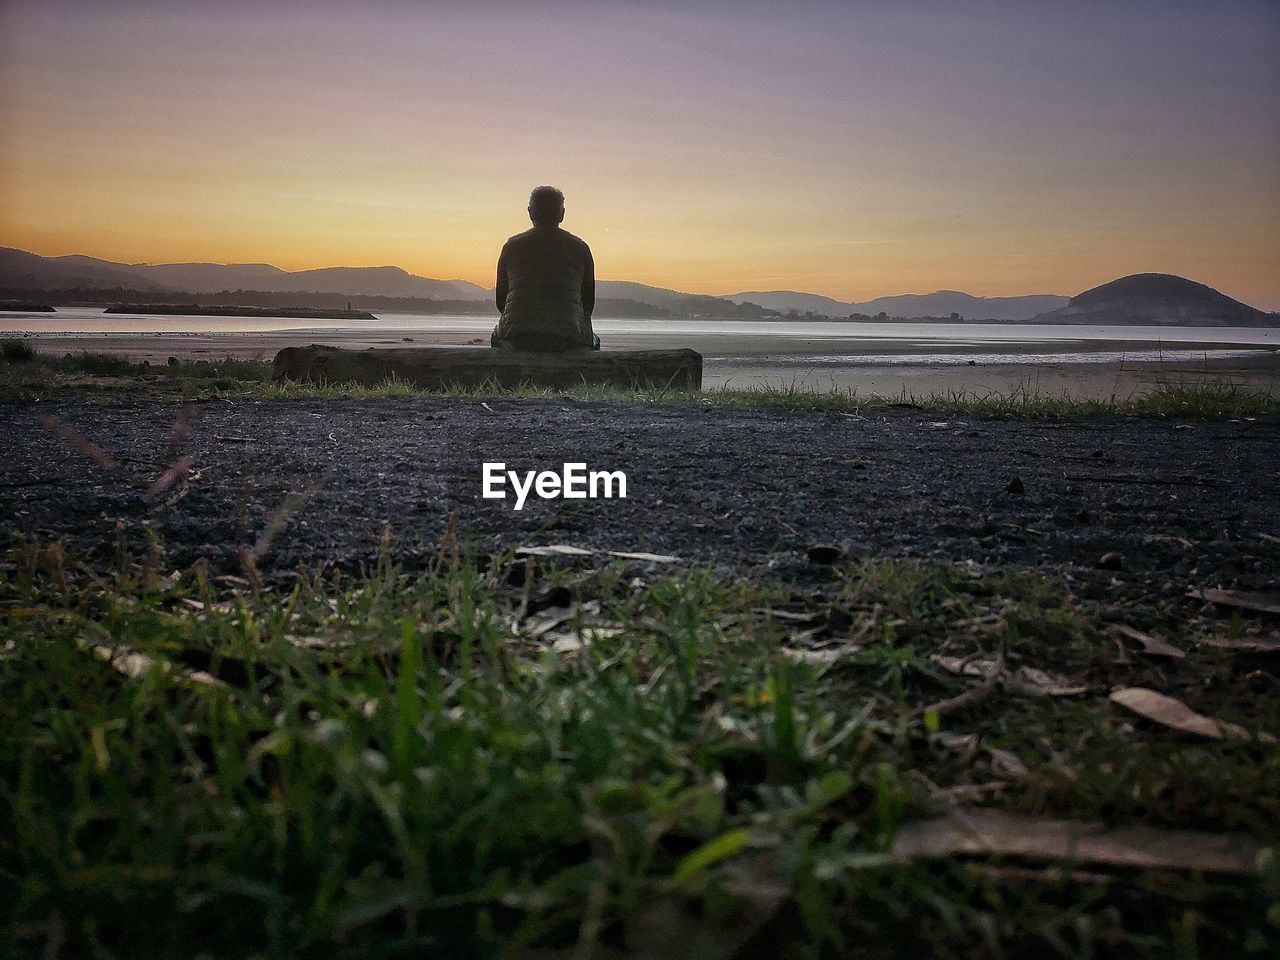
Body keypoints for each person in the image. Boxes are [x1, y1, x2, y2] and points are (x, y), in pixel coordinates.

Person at [491, 186, 600, 351]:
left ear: (530, 213)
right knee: (594, 341)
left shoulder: (511, 246)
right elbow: (588, 304)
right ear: (561, 214)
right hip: (568, 337)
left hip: (517, 336)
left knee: (496, 337)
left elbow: (501, 301)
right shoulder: (580, 248)